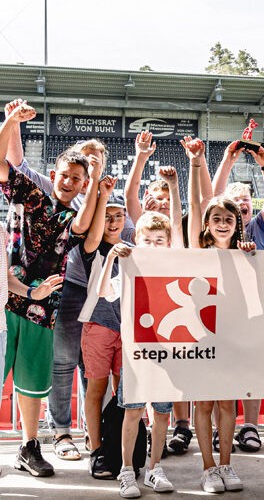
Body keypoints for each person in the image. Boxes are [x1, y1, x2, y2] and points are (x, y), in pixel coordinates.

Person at [0, 99, 101, 477]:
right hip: (5, 301)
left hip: (44, 310)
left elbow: (85, 226)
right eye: (64, 175)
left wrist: (97, 181)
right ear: (52, 173)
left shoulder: (73, 217)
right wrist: (10, 120)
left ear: (83, 184)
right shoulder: (28, 192)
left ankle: (28, 448)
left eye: (77, 179)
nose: (68, 182)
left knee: (30, 384)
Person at [185, 136, 253, 493]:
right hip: (201, 336)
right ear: (208, 224)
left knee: (228, 402)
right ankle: (208, 468)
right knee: (205, 402)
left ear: (237, 223)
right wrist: (196, 163)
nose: (223, 223)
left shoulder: (245, 253)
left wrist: (250, 258)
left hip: (232, 338)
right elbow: (196, 204)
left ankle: (227, 465)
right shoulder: (198, 249)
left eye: (229, 218)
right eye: (217, 219)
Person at [97, 211, 178, 498]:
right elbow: (104, 290)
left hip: (168, 353)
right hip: (137, 354)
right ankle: (127, 471)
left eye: (160, 240)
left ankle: (155, 468)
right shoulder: (129, 270)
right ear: (136, 240)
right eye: (147, 240)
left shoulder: (175, 269)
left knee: (162, 413)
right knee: (132, 412)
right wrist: (110, 260)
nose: (153, 245)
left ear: (169, 244)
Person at [212, 140, 264, 452]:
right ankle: (217, 428)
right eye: (234, 201)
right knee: (220, 367)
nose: (241, 205)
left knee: (251, 367)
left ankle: (249, 426)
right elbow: (212, 197)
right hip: (223, 310)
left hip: (257, 310)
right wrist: (227, 159)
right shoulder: (217, 230)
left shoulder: (260, 228)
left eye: (246, 201)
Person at [79, 177, 132, 479]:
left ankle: (122, 447)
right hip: (99, 325)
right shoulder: (93, 245)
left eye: (118, 215)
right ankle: (97, 449)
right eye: (107, 215)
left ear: (126, 218)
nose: (112, 221)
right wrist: (104, 196)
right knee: (96, 390)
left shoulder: (135, 247)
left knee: (124, 392)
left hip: (127, 330)